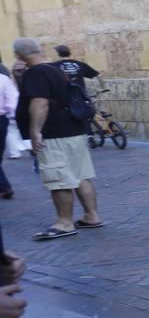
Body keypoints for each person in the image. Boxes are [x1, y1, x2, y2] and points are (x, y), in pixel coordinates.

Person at [14, 38, 103, 240]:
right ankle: (91, 215)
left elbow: (40, 102)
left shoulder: (36, 72)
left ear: (19, 55)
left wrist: (36, 130)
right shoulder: (55, 69)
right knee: (80, 175)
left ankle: (64, 223)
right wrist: (19, 76)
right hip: (74, 128)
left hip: (54, 133)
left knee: (58, 178)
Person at [0, 68, 16, 199]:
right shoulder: (3, 79)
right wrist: (12, 118)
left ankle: (4, 186)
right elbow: (13, 102)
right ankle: (4, 187)